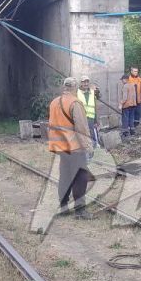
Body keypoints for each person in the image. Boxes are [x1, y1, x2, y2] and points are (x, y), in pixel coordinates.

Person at [47, 77, 93, 219]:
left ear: (64, 87)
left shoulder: (54, 102)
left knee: (65, 175)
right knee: (80, 176)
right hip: (74, 147)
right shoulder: (75, 103)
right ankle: (80, 210)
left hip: (60, 146)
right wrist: (88, 146)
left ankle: (63, 206)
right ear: (74, 88)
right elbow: (81, 128)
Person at [76, 75, 101, 147]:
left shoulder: (93, 92)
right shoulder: (77, 92)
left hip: (91, 118)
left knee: (92, 133)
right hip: (81, 118)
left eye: (87, 82)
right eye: (84, 82)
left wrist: (96, 120)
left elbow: (95, 106)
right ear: (80, 83)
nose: (86, 84)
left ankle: (94, 147)